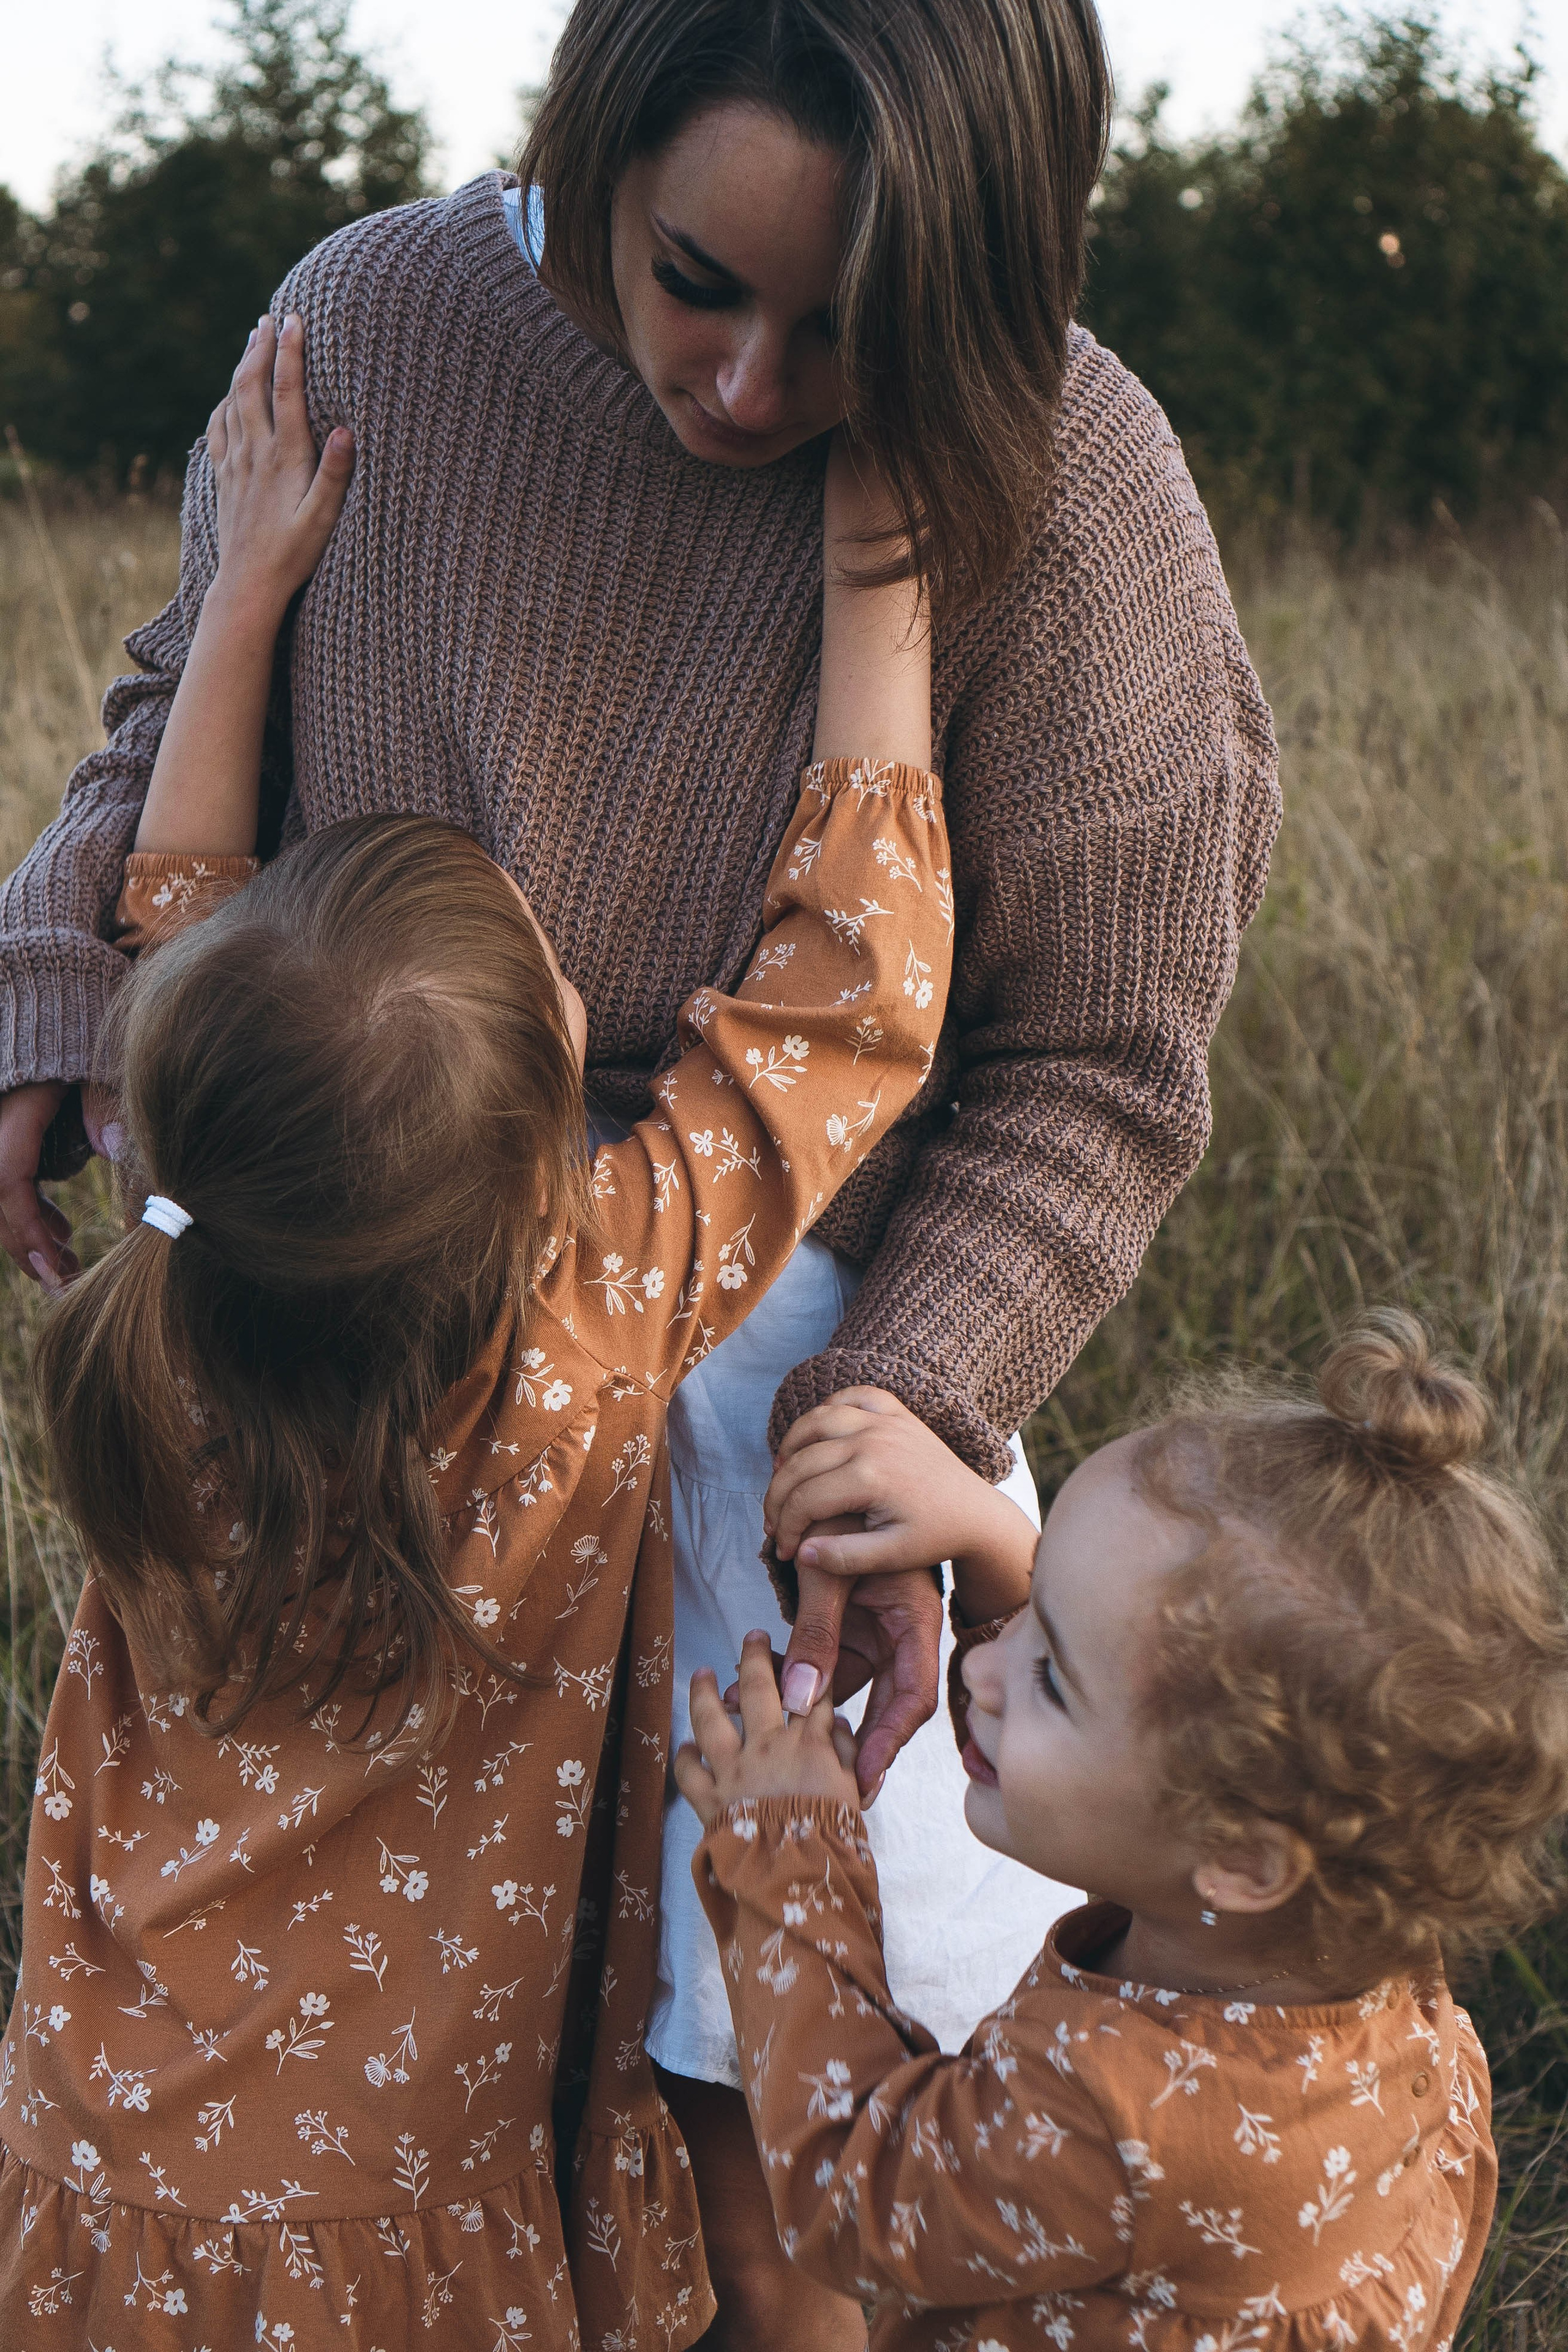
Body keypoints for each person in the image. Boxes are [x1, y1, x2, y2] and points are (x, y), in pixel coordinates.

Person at [0, 5, 1280, 2339]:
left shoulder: (1072, 480)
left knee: (783, 2134)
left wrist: (902, 1408)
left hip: (769, 1424)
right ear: (589, 138)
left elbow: (1096, 1060)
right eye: (698, 277)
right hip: (464, 1296)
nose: (757, 390)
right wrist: (65, 997)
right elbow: (181, 702)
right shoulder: (378, 320)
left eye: (850, 330)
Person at [0, 315, 953, 2349]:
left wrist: (244, 578)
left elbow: (185, 921)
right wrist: (879, 572)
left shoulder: (166, 1305)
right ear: (556, 1130)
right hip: (403, 2207)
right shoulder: (590, 1318)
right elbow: (850, 997)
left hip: (129, 2146)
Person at [676, 1316, 1568, 2350]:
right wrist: (992, 1543)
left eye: (1051, 1674)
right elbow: (1107, 1778)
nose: (982, 1668)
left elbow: (857, 2190)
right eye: (1035, 1612)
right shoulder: (1369, 1955)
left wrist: (789, 1849)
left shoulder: (1115, 2117)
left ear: (1241, 1857)